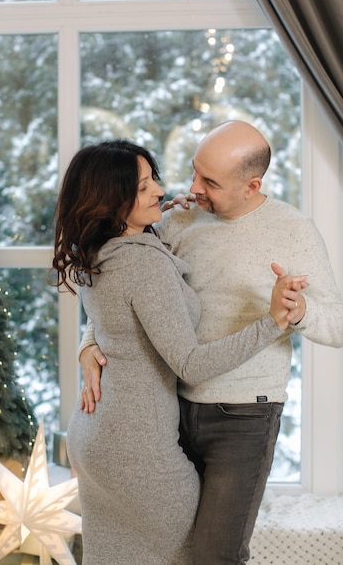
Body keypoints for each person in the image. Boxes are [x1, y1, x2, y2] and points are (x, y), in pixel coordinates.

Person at [79, 122, 343, 565]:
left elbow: (337, 323)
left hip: (244, 418)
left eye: (211, 182)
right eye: (195, 172)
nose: (191, 188)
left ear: (251, 185)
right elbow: (125, 292)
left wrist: (296, 312)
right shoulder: (178, 220)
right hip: (172, 411)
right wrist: (89, 343)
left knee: (214, 556)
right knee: (171, 554)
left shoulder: (293, 229)